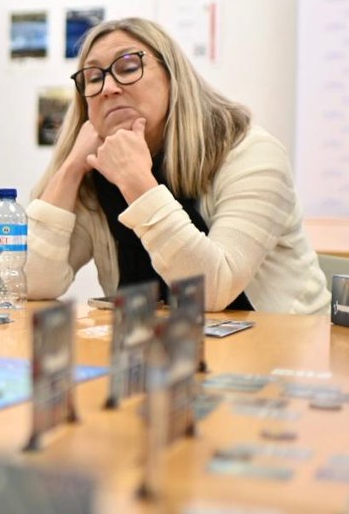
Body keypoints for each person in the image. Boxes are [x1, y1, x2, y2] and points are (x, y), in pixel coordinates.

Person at [25, 16, 329, 314]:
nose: (108, 87)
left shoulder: (251, 154)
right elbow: (30, 282)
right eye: (94, 78)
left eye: (128, 67)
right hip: (153, 349)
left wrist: (137, 182)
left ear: (172, 76)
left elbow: (211, 291)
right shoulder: (96, 171)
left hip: (281, 350)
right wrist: (71, 168)